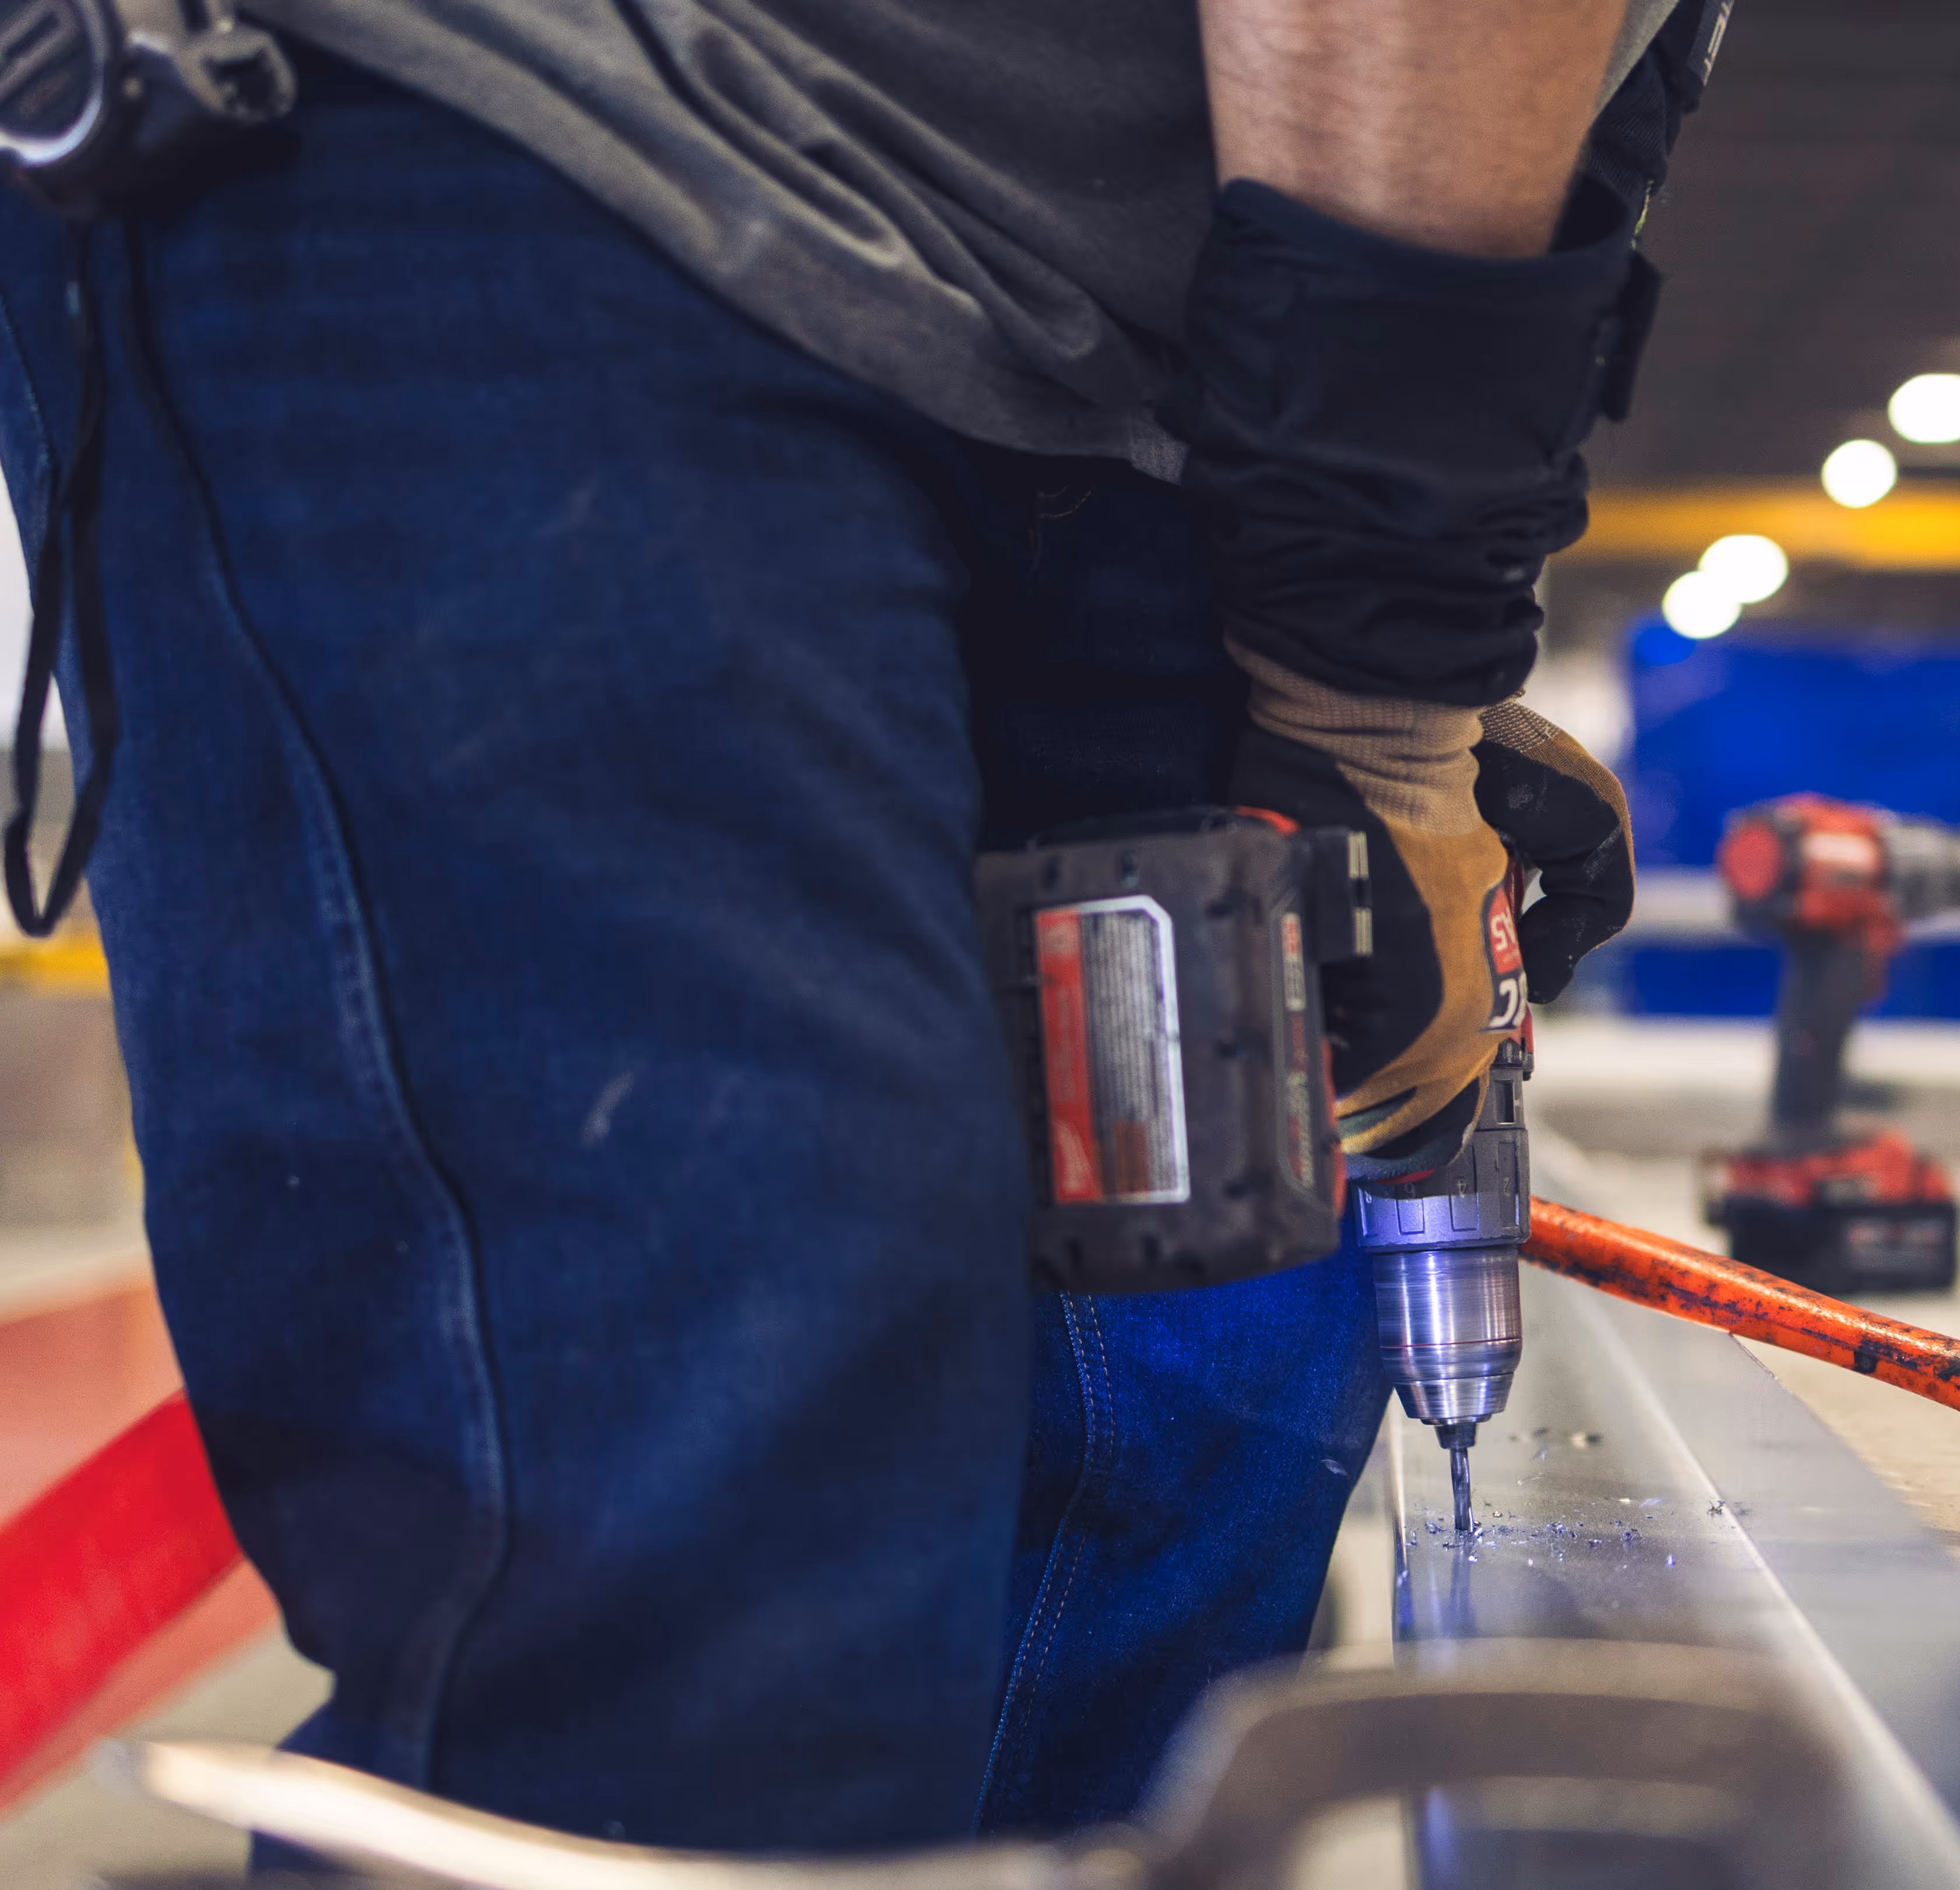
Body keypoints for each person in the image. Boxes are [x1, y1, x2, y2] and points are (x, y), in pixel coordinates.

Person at [0, 0, 1722, 1856]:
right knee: (719, 1610)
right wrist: (1377, 693)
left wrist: (1400, 666)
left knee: (1180, 1471)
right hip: (552, 151)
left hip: (1143, 379)